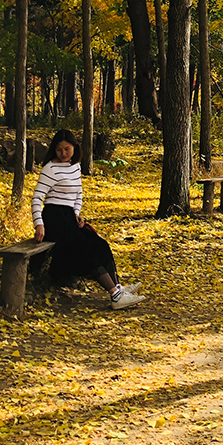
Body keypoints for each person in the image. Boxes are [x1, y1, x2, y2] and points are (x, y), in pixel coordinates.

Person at [33, 129, 144, 310]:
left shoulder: (75, 167)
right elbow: (37, 198)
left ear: (75, 148)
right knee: (84, 250)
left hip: (69, 217)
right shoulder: (50, 168)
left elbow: (79, 194)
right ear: (54, 149)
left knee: (99, 244)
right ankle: (115, 296)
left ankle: (118, 287)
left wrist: (76, 213)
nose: (63, 154)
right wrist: (39, 224)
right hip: (54, 218)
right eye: (59, 150)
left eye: (67, 149)